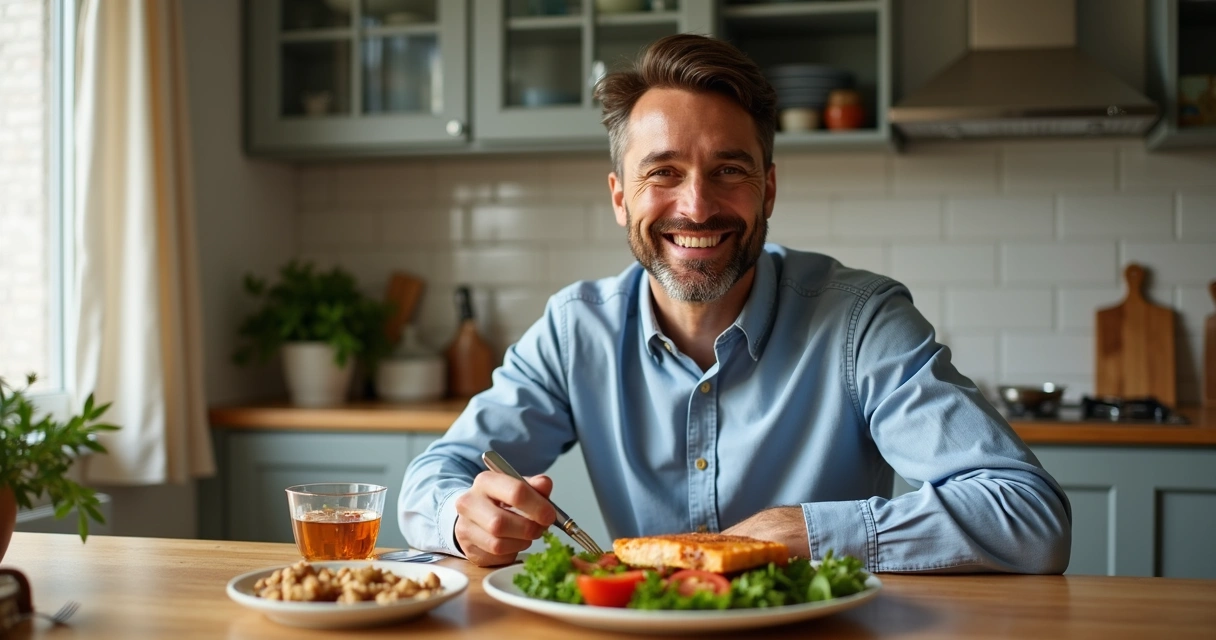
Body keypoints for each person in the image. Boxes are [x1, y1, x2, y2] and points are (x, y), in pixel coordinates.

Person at [398, 34, 1072, 573]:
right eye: (663, 172)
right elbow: (436, 473)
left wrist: (797, 532)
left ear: (768, 190)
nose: (697, 206)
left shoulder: (862, 322)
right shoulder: (577, 330)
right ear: (618, 196)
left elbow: (1030, 518)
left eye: (729, 170)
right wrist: (464, 517)